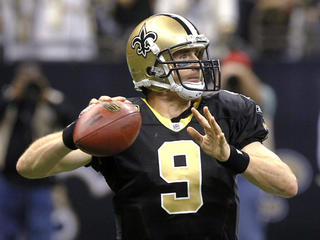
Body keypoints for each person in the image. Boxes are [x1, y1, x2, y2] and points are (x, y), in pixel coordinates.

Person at [16, 14, 298, 240]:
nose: (197, 63)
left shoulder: (228, 110)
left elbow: (286, 184)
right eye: (184, 56)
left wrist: (230, 156)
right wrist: (77, 130)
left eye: (197, 54)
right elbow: (29, 167)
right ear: (151, 68)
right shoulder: (120, 120)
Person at [0, 63, 72, 240]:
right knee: (5, 232)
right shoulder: (10, 99)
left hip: (41, 182)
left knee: (40, 232)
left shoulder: (51, 99)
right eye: (25, 79)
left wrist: (46, 95)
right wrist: (15, 95)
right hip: (8, 180)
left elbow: (70, 121)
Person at [221, 50, 278, 240]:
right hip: (223, 169)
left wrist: (243, 79)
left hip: (251, 169)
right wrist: (224, 81)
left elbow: (259, 102)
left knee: (249, 230)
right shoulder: (216, 97)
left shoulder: (264, 94)